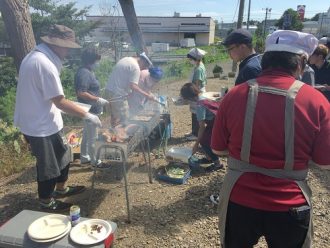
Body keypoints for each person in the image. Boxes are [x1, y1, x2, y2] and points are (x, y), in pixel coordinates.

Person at [211, 30, 330, 248]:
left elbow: (218, 149)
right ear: (301, 63)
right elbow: (324, 162)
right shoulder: (316, 100)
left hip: (239, 198)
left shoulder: (234, 95)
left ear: (265, 61)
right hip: (290, 204)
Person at [14, 24, 102, 212]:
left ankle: (61, 189)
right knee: (48, 167)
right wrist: (88, 115)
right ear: (56, 44)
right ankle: (46, 202)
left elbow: (47, 96)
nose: (69, 51)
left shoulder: (36, 57)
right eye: (67, 47)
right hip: (38, 125)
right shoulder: (43, 63)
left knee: (63, 156)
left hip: (47, 119)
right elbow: (60, 101)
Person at [74, 47, 109, 167]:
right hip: (90, 110)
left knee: (87, 135)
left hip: (89, 109)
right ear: (91, 60)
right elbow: (81, 92)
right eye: (97, 61)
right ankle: (95, 161)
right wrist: (97, 99)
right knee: (93, 137)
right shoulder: (84, 73)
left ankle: (84, 157)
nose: (97, 63)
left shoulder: (87, 71)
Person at [180, 83, 223, 172]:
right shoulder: (203, 96)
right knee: (205, 138)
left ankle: (217, 164)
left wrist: (196, 144)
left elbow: (202, 126)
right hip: (219, 121)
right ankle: (209, 158)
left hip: (217, 124)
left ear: (189, 98)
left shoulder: (199, 106)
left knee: (204, 140)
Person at [105, 52, 155, 127]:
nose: (144, 69)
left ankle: (114, 133)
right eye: (145, 66)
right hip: (118, 95)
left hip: (109, 90)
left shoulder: (126, 59)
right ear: (143, 61)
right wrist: (147, 95)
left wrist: (128, 92)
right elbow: (133, 86)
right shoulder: (136, 67)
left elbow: (123, 79)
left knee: (114, 116)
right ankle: (122, 137)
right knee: (124, 119)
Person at [185, 48, 207, 141]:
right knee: (194, 113)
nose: (190, 61)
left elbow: (197, 84)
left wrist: (192, 95)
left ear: (195, 58)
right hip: (197, 92)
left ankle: (196, 134)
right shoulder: (199, 65)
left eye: (190, 59)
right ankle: (194, 131)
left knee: (197, 114)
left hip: (197, 93)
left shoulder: (198, 69)